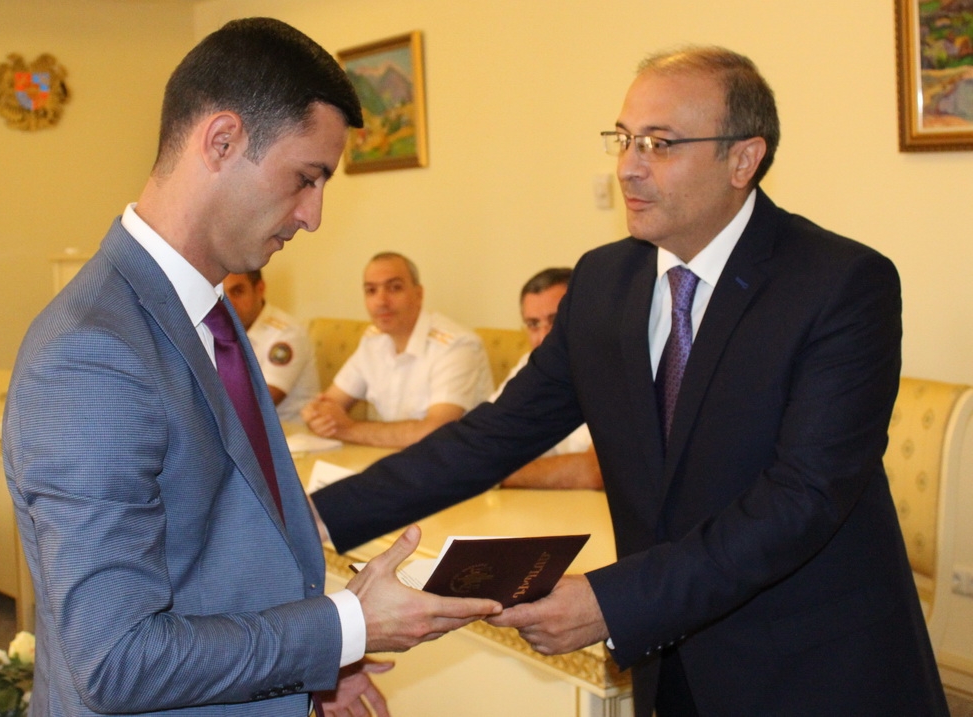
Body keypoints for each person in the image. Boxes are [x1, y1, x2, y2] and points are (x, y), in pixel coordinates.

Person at [310, 45, 949, 716]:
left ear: (743, 159)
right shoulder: (604, 282)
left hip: (813, 667)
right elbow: (494, 434)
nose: (627, 167)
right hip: (671, 666)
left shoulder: (839, 284)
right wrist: (317, 517)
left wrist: (613, 602)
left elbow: (803, 498)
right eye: (623, 139)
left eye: (659, 144)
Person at [2, 18, 500, 717]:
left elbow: (216, 553)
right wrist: (345, 629)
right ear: (222, 141)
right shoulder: (93, 353)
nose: (314, 215)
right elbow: (116, 660)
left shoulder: (207, 308)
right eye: (305, 178)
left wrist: (313, 671)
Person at [302, 252, 493, 448]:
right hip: (392, 458)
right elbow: (331, 402)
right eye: (371, 290)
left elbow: (436, 432)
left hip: (453, 461)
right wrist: (317, 414)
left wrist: (349, 429)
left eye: (394, 288)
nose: (381, 301)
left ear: (419, 294)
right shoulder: (373, 341)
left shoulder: (457, 345)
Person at [492, 267, 601, 489]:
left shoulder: (615, 368)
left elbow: (594, 471)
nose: (543, 337)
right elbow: (488, 439)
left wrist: (490, 474)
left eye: (555, 320)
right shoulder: (532, 364)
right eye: (533, 325)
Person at [223, 270, 320, 423]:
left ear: (260, 289)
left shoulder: (287, 334)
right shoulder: (222, 331)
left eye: (237, 292)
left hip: (289, 431)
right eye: (222, 295)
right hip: (245, 430)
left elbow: (261, 402)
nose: (228, 304)